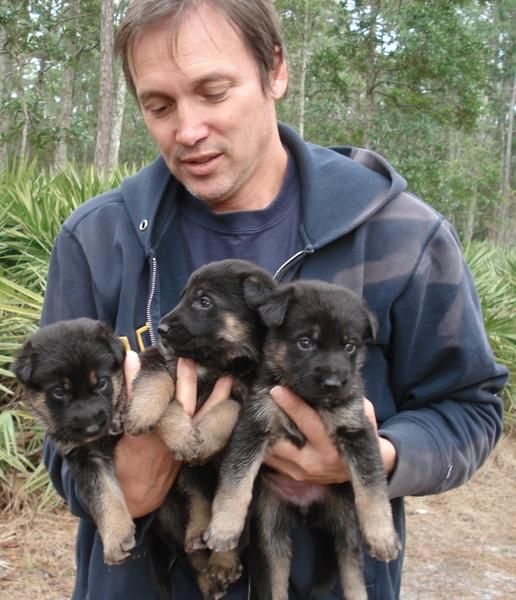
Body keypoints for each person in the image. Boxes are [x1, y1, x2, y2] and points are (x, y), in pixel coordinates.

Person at [40, 1, 507, 598]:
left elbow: (470, 407)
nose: (187, 130)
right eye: (158, 106)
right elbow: (60, 440)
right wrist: (127, 480)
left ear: (275, 71)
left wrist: (385, 456)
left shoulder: (401, 236)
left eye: (213, 92)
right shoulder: (98, 240)